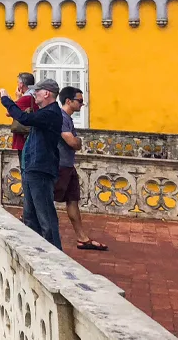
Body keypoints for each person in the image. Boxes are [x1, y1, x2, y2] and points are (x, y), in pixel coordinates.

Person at [0, 79, 64, 249]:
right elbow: (27, 117)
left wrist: (6, 100)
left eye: (37, 92)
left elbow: (24, 118)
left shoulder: (51, 113)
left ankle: (55, 256)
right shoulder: (45, 112)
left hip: (41, 169)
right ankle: (36, 252)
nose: (34, 94)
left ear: (46, 93)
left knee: (46, 218)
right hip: (32, 168)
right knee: (30, 216)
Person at [57, 87, 108, 251]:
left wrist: (76, 141)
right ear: (68, 101)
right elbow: (73, 142)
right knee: (45, 199)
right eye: (79, 100)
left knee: (73, 200)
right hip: (60, 165)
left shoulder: (68, 119)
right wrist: (77, 142)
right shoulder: (62, 118)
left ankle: (82, 238)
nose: (82, 103)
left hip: (68, 165)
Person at [11, 73, 37, 166]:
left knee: (24, 167)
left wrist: (17, 98)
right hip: (33, 137)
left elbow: (10, 112)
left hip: (24, 138)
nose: (17, 85)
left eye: (18, 82)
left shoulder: (26, 98)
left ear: (22, 84)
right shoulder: (35, 96)